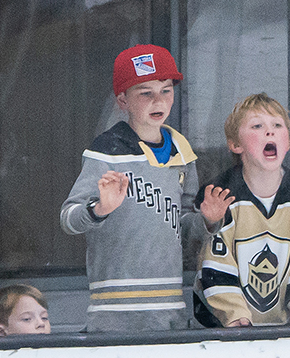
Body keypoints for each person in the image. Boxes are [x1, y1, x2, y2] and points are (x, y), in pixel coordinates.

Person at [58, 43, 224, 333]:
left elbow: (182, 230)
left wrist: (207, 221)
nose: (157, 100)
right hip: (113, 312)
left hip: (169, 308)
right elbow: (68, 218)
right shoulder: (106, 151)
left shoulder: (182, 154)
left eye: (166, 90)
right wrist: (99, 209)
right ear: (122, 100)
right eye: (145, 92)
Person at [196, 94, 290, 328]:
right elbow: (214, 262)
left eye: (277, 125)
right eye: (257, 126)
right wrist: (234, 315)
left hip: (282, 333)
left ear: (288, 142)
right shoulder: (220, 194)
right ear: (235, 144)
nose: (269, 132)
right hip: (223, 332)